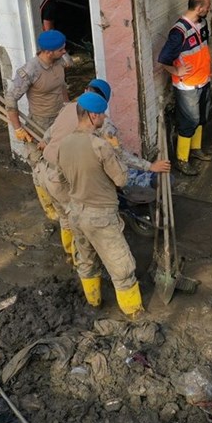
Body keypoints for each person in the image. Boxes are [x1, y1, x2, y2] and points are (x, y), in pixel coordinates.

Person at [38, 79, 170, 264]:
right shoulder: (104, 126)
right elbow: (119, 158)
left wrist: (45, 143)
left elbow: (47, 135)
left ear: (86, 91)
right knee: (80, 219)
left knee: (66, 218)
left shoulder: (69, 108)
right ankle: (82, 260)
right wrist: (149, 166)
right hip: (64, 177)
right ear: (98, 111)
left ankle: (70, 255)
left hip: (44, 172)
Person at [57, 92, 143, 318]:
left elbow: (62, 178)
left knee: (86, 261)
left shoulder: (64, 143)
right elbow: (121, 180)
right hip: (101, 217)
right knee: (123, 268)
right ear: (93, 116)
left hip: (75, 212)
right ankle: (134, 314)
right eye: (102, 114)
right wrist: (114, 149)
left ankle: (94, 304)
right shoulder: (100, 146)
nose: (104, 117)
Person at [5, 29, 73, 227]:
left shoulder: (60, 60)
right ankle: (49, 206)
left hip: (60, 118)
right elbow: (10, 99)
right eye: (61, 49)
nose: (65, 51)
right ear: (48, 52)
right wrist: (18, 128)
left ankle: (65, 194)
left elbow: (62, 85)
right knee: (39, 164)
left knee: (64, 159)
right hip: (40, 123)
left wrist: (68, 107)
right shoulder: (30, 70)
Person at [157, 0, 212, 176]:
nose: (209, 9)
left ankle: (196, 149)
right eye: (207, 6)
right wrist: (176, 71)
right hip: (188, 85)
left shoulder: (202, 24)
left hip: (203, 80)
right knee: (188, 121)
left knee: (201, 118)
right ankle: (182, 159)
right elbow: (163, 58)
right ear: (199, 8)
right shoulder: (178, 32)